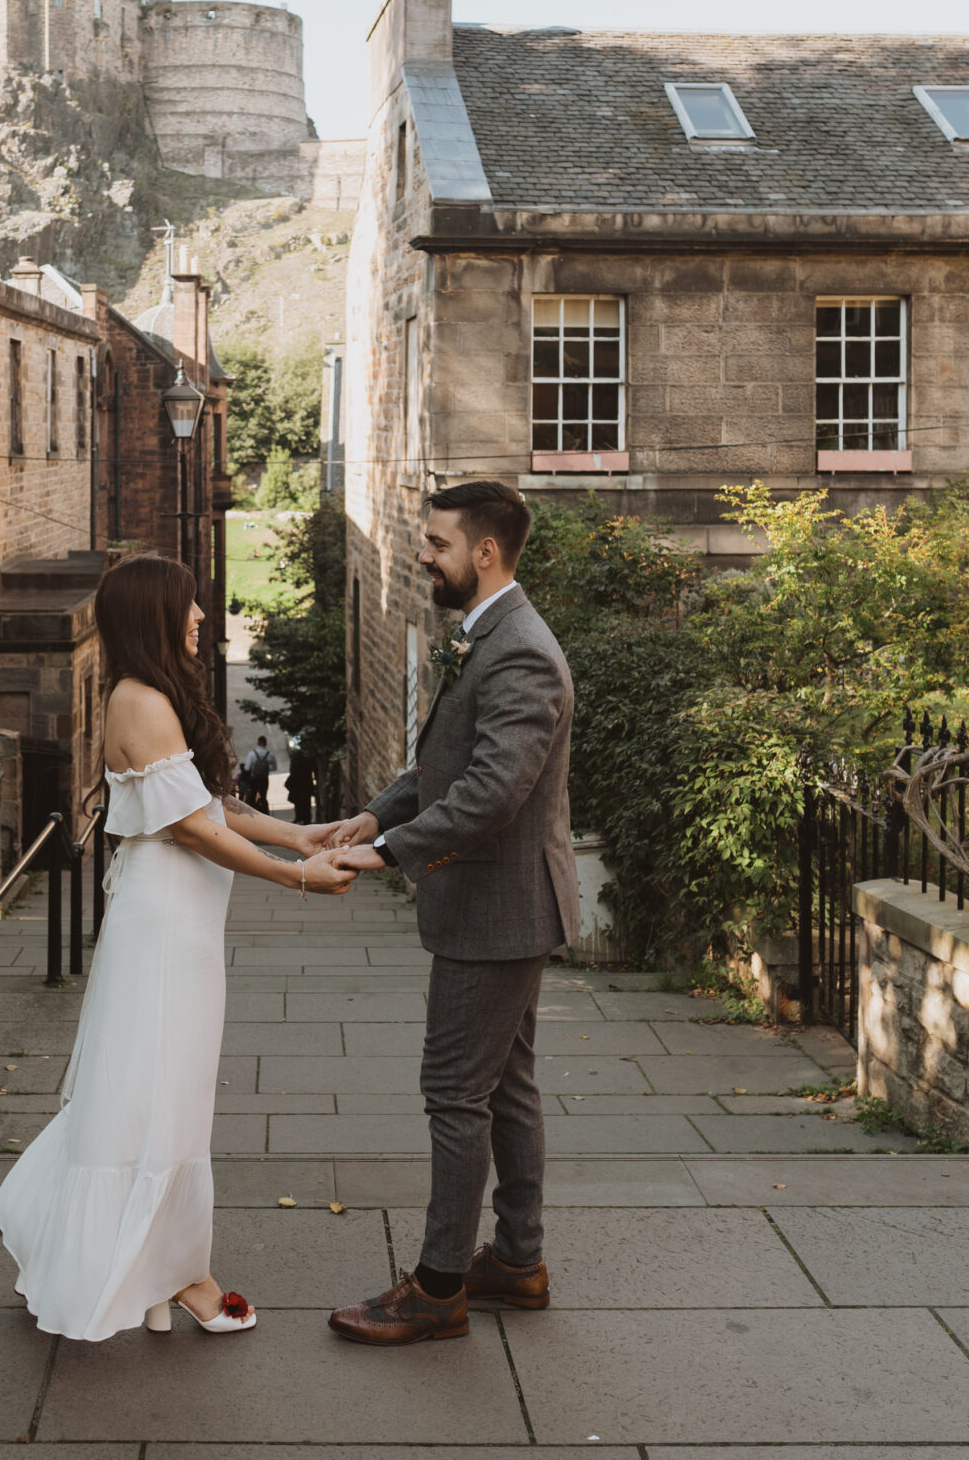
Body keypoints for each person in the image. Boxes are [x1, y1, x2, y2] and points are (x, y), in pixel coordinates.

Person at [0, 554, 357, 1341]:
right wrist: (297, 878)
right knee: (161, 1095)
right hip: (162, 926)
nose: (200, 618)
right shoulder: (140, 700)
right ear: (155, 614)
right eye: (189, 607)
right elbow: (191, 828)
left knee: (163, 1090)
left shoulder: (152, 695)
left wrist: (301, 832)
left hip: (180, 921)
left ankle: (158, 1273)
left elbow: (208, 802)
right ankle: (185, 1276)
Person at [311, 479, 577, 1345]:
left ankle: (437, 1287)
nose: (422, 554)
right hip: (502, 907)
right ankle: (518, 1259)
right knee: (507, 1088)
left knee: (456, 1092)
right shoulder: (488, 634)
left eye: (435, 543)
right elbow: (446, 758)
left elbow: (494, 791)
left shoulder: (521, 650)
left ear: (485, 553)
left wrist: (385, 853)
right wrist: (379, 812)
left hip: (497, 910)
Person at [240, 735, 277, 813]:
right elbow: (274, 768)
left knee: (252, 796)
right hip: (264, 779)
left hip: (254, 779)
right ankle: (265, 812)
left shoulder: (252, 754)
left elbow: (247, 768)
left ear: (258, 743)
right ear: (266, 743)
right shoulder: (270, 755)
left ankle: (253, 813)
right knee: (263, 796)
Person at [285, 738, 316, 825]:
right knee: (306, 803)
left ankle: (299, 818)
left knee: (298, 802)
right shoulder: (309, 757)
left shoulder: (295, 757)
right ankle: (306, 819)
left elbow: (292, 770)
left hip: (297, 784)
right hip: (306, 783)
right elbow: (314, 769)